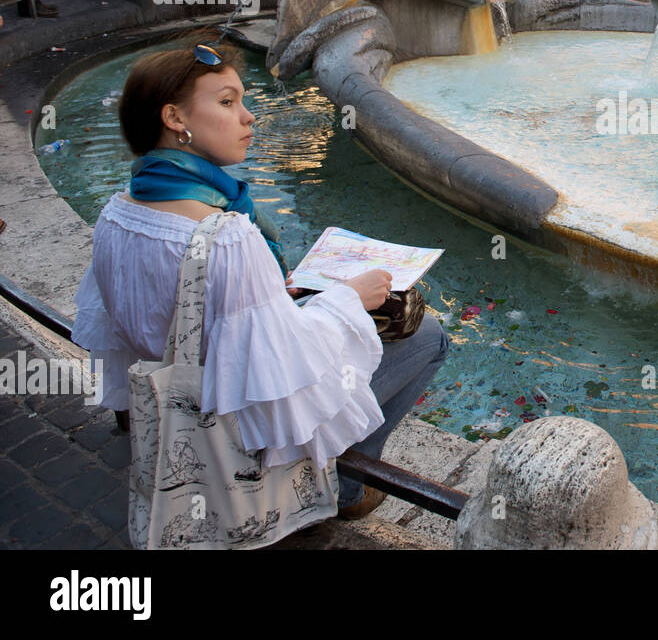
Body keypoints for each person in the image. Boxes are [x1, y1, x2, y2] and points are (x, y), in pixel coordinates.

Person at [71, 40, 449, 522]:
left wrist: (273, 293)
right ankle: (342, 489)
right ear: (174, 118)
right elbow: (290, 369)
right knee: (431, 336)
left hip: (184, 399)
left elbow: (127, 325)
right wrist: (349, 298)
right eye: (227, 102)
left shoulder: (119, 211)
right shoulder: (226, 238)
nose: (248, 116)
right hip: (239, 427)